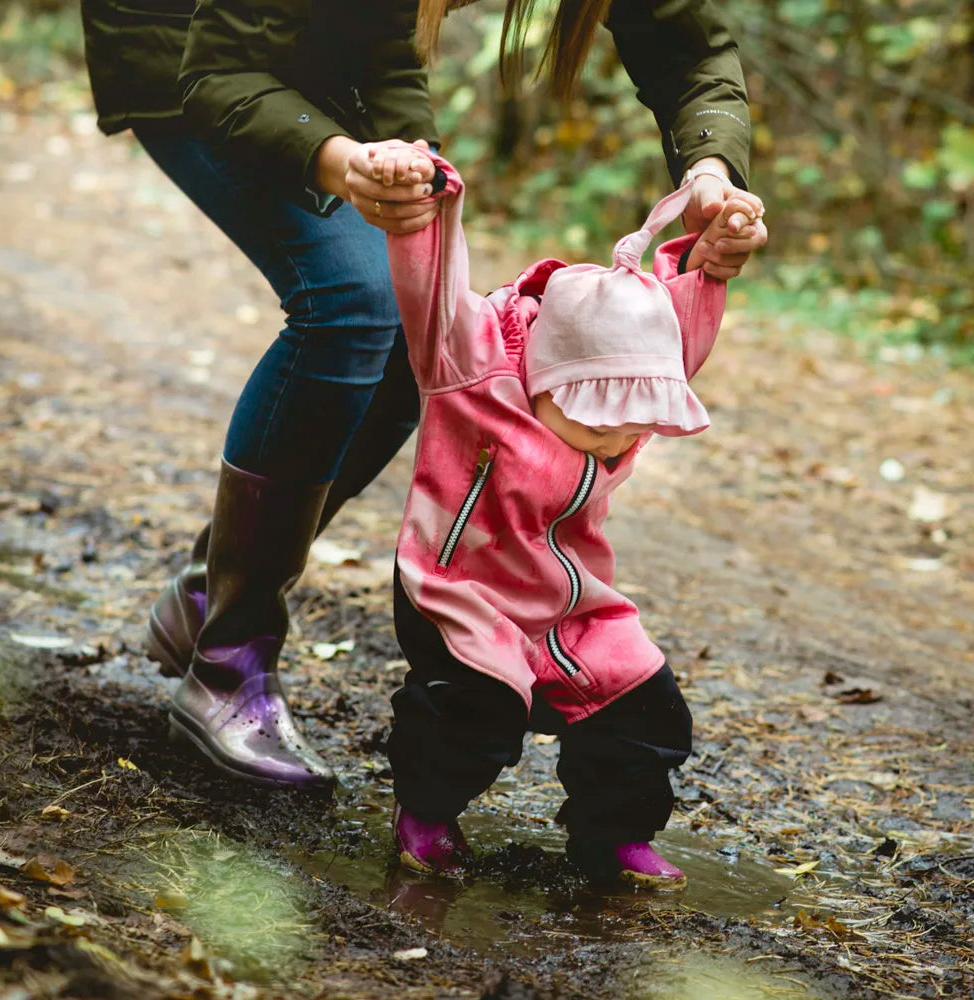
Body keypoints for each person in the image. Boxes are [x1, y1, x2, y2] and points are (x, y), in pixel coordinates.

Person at [77, 0, 767, 791]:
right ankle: (230, 656)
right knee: (353, 300)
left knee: (417, 343)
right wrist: (341, 162)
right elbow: (224, 66)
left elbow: (685, 42)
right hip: (189, 36)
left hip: (336, 47)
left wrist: (711, 172)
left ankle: (211, 595)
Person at [380, 149, 755, 888]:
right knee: (478, 707)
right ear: (548, 383)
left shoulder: (635, 380)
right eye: (603, 418)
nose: (623, 437)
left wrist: (707, 263)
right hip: (460, 590)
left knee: (648, 709)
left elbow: (678, 334)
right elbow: (429, 293)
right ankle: (425, 813)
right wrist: (429, 201)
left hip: (569, 598)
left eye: (638, 421)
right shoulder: (470, 374)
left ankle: (611, 838)